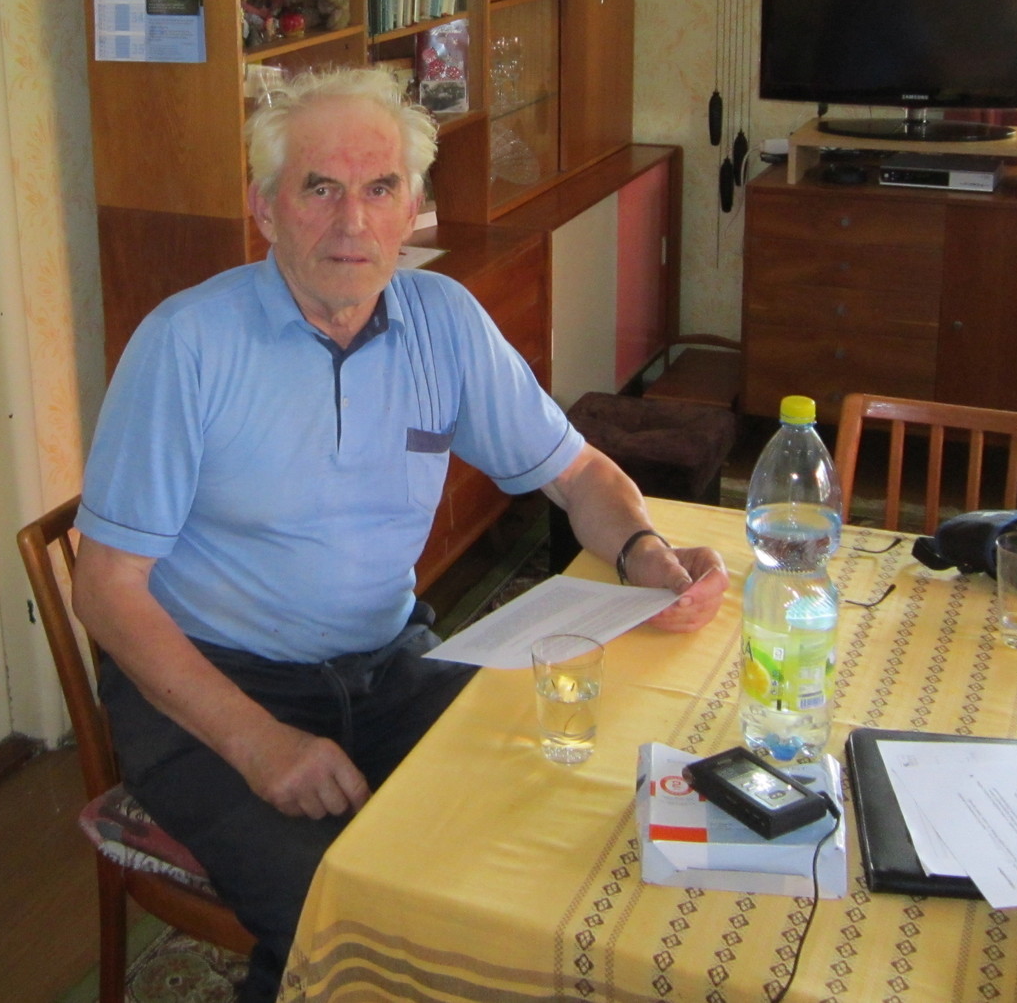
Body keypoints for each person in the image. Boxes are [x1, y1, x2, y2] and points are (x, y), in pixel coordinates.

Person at [73, 67, 726, 1002]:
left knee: (552, 819)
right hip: (215, 691)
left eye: (380, 188)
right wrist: (260, 745)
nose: (353, 223)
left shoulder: (443, 321)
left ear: (414, 206)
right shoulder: (186, 346)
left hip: (387, 666)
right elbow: (105, 592)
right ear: (264, 207)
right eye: (319, 188)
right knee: (339, 904)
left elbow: (578, 472)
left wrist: (643, 551)